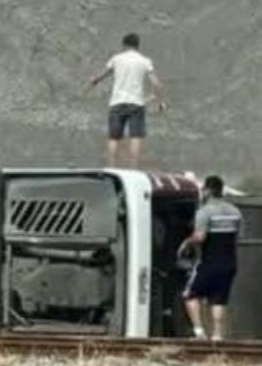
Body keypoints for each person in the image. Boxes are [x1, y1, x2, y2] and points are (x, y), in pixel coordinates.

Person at [179, 175, 242, 341]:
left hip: (209, 262)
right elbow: (238, 237)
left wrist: (187, 242)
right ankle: (217, 335)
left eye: (203, 190)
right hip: (229, 263)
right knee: (219, 300)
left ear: (207, 190)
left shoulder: (204, 212)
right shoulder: (235, 212)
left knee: (189, 295)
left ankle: (199, 332)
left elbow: (200, 237)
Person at [89, 33, 165, 168]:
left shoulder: (116, 59)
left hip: (117, 102)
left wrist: (94, 81)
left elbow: (102, 74)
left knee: (113, 137)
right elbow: (156, 83)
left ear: (124, 45)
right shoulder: (145, 61)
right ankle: (133, 168)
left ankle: (111, 167)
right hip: (136, 103)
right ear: (138, 45)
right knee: (135, 137)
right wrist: (160, 101)